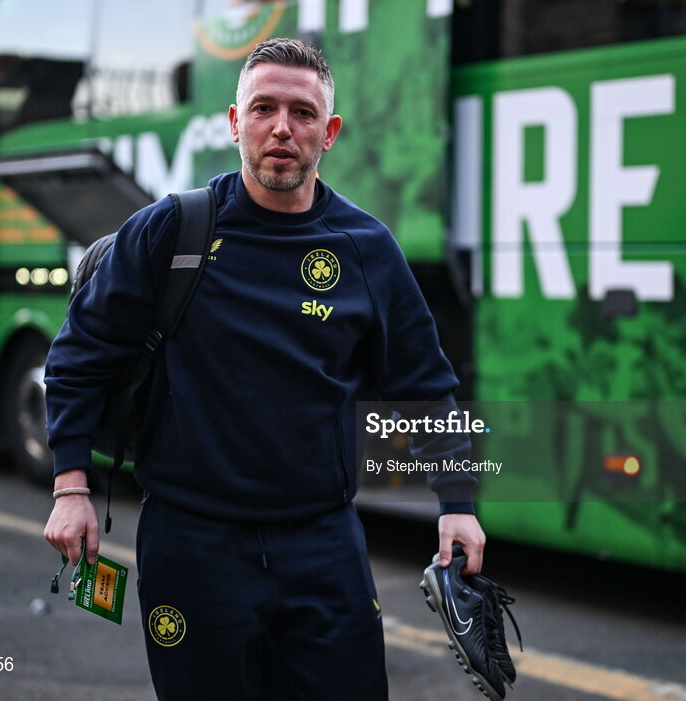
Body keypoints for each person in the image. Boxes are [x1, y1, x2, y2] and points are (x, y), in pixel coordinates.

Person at [43, 37, 486, 700]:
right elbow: (80, 354)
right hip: (192, 543)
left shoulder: (367, 248)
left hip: (324, 542)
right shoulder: (170, 231)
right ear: (234, 122)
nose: (282, 127)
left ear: (329, 132)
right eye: (264, 108)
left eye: (303, 113)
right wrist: (70, 486)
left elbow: (426, 381)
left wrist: (457, 504)